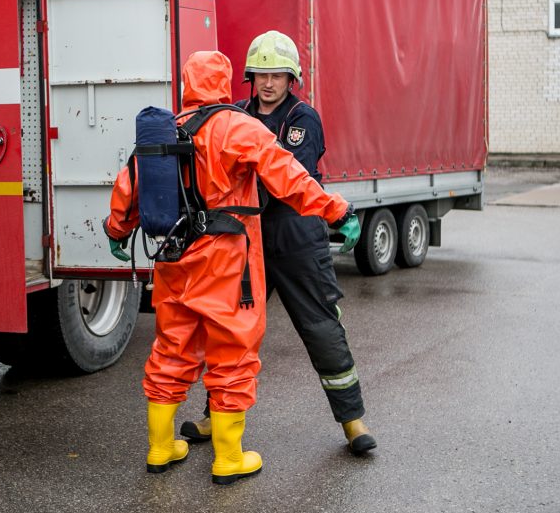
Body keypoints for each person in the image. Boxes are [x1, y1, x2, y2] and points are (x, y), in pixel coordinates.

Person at [103, 50, 360, 485]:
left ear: (187, 84)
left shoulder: (167, 131)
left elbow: (129, 186)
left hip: (174, 261)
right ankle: (228, 458)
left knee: (171, 350)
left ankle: (160, 448)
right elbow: (290, 177)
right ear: (225, 82)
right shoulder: (240, 127)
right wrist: (336, 210)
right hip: (226, 264)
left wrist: (116, 232)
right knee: (232, 353)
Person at [179, 31, 376, 455]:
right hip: (244, 241)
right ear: (250, 77)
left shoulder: (303, 119)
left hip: (297, 238)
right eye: (261, 75)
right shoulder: (234, 114)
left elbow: (288, 181)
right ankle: (215, 417)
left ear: (292, 79)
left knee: (321, 327)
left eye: (277, 75)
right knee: (230, 333)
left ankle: (353, 422)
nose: (268, 83)